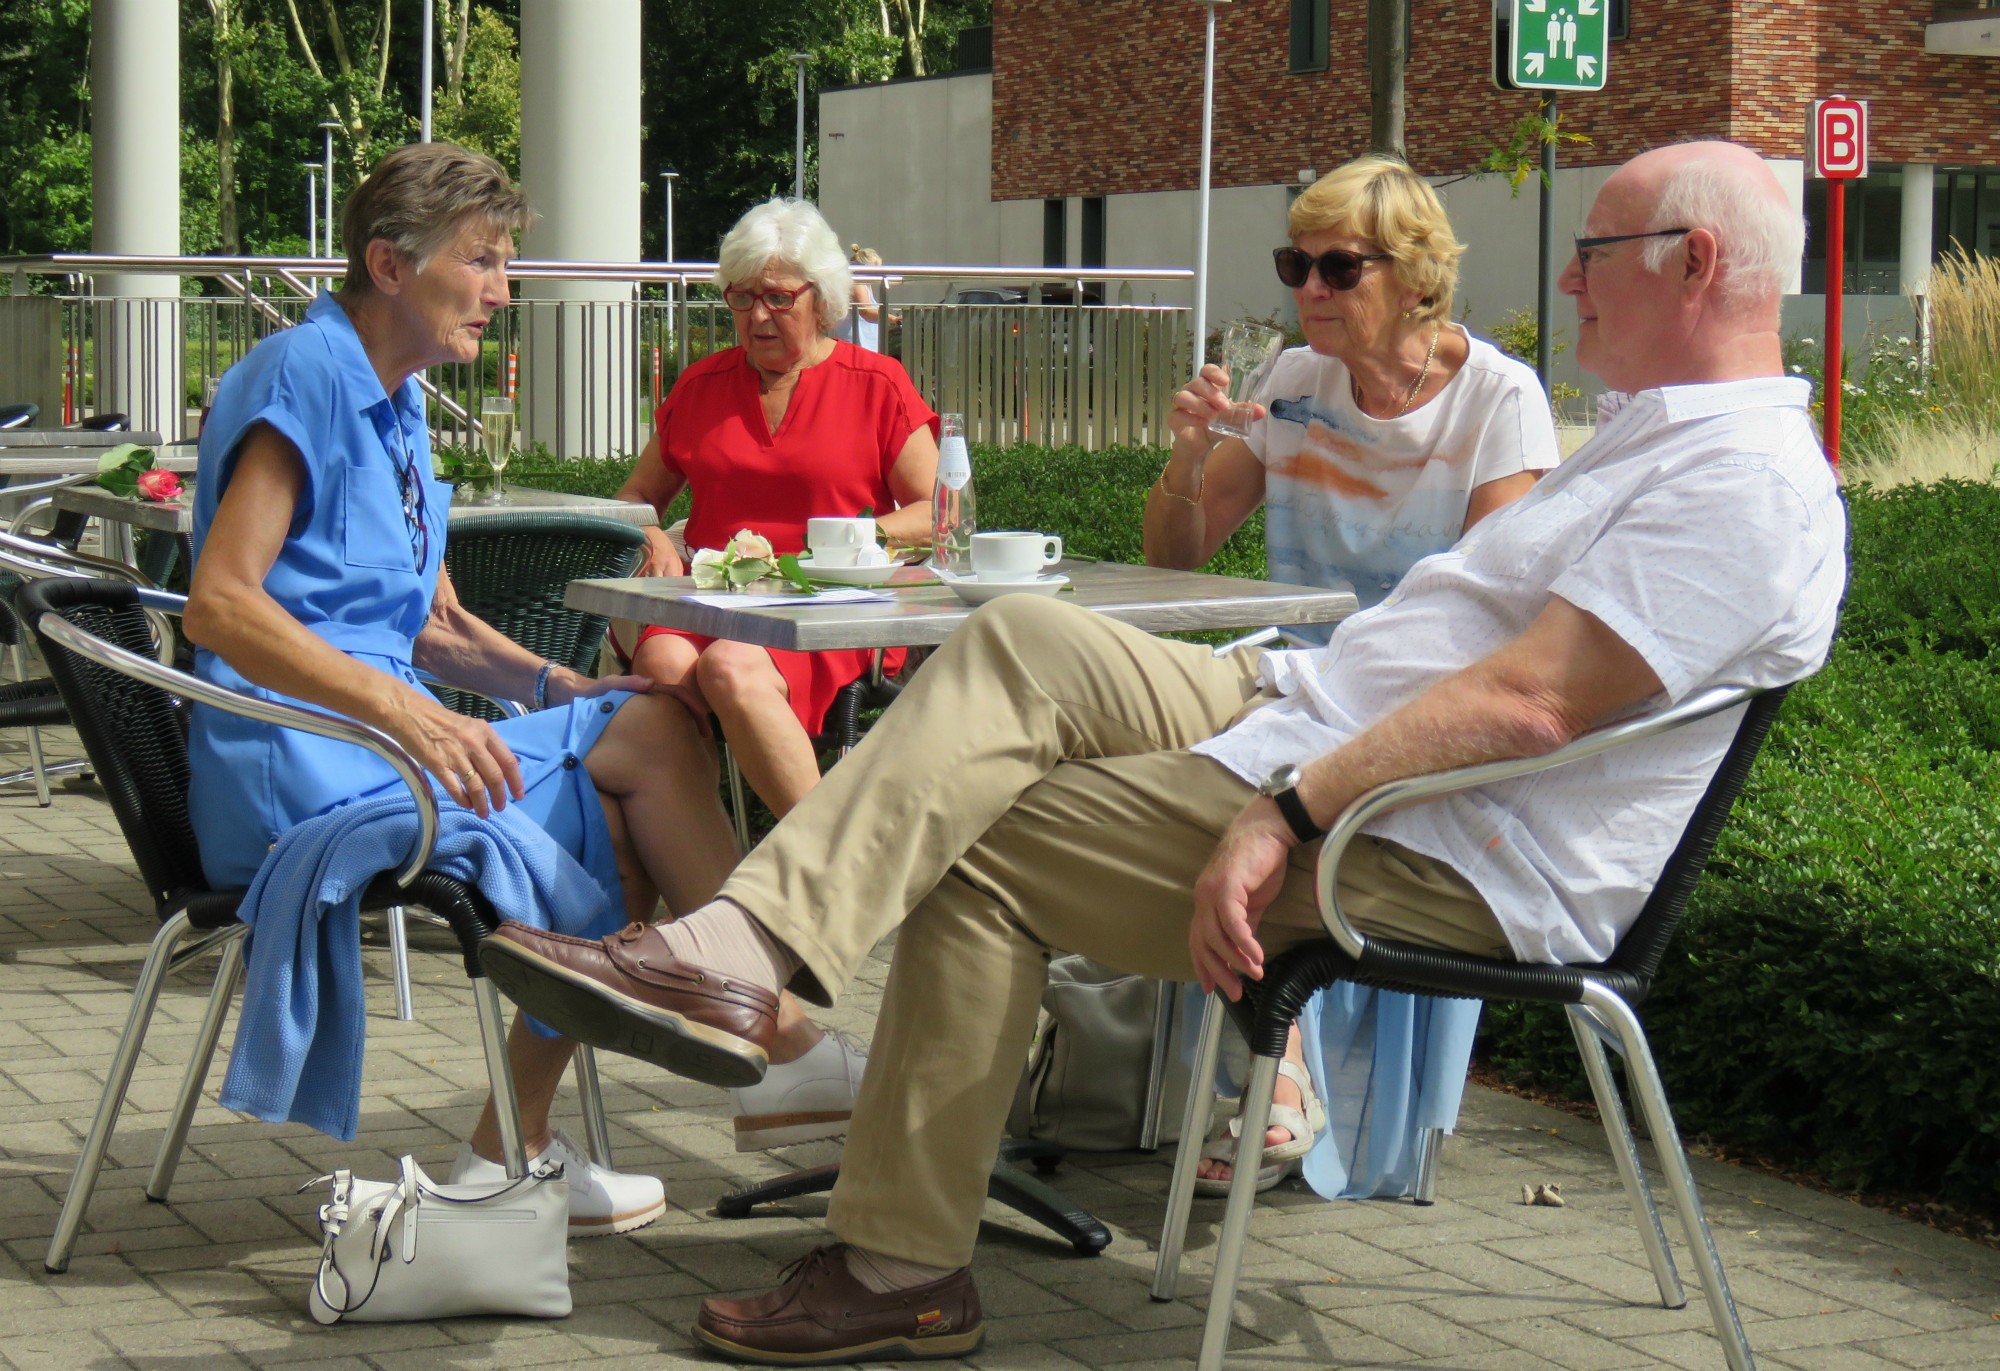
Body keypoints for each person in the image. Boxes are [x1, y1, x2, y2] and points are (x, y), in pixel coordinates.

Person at [480, 140, 1847, 1363]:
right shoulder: (1645, 446)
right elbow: (1219, 553)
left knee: (974, 834)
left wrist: (1288, 810)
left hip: (1422, 834)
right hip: (1294, 699)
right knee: (1018, 634)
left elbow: (1536, 707)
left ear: (1698, 262)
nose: (1568, 273)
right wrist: (1212, 511)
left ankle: (892, 1245)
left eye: (1594, 249)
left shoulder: (1741, 482)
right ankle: (741, 957)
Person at [183, 142, 743, 1238]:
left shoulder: (396, 405)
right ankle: (778, 1031)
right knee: (652, 740)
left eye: (504, 264)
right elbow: (220, 607)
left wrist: (556, 682)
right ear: (389, 266)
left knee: (631, 762)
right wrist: (408, 712)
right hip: (298, 767)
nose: (500, 290)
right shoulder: (306, 372)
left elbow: (429, 626)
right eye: (481, 262)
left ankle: (513, 1156)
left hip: (376, 753)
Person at [1145, 155, 1559, 1196]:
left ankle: (1273, 1086)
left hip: (1415, 693)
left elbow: (1492, 617)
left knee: (1245, 784)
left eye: (1338, 267)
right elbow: (1174, 555)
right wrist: (1188, 454)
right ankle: (1275, 1076)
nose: (1309, 291)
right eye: (1296, 264)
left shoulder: (1497, 401)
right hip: (1301, 678)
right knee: (1169, 762)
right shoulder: (1290, 382)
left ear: (1418, 278)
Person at [611, 199, 939, 1150]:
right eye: (742, 298)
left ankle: (824, 875)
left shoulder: (878, 385)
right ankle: (731, 904)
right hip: (713, 603)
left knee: (722, 666)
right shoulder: (702, 384)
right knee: (672, 657)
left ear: (824, 300)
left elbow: (935, 512)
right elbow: (636, 498)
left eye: (779, 298)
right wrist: (658, 540)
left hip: (825, 612)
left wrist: (852, 537)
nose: (759, 316)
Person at [830, 244, 885, 351]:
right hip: (857, 342)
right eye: (876, 269)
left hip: (861, 342)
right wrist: (891, 318)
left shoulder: (865, 284)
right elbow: (866, 312)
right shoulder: (857, 283)